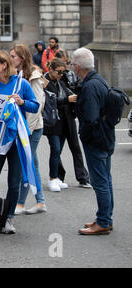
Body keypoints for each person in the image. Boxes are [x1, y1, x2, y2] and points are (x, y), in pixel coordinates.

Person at [0, 50, 39, 235]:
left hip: (17, 140)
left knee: (14, 183)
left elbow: (35, 106)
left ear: (4, 65)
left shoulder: (21, 84)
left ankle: (9, 218)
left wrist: (22, 102)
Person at [73, 48, 115, 235]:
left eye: (73, 65)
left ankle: (104, 221)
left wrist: (85, 136)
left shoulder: (89, 87)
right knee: (106, 180)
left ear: (78, 67)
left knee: (100, 182)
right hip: (106, 137)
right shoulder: (100, 81)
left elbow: (90, 118)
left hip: (96, 140)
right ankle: (105, 218)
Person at [10, 44, 47, 215]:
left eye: (14, 56)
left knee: (26, 163)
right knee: (34, 164)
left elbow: (37, 106)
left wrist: (27, 131)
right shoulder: (17, 75)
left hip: (31, 129)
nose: (11, 59)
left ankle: (20, 203)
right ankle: (40, 202)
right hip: (23, 127)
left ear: (22, 58)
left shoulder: (34, 77)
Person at [43, 58, 90, 192]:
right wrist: (66, 99)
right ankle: (54, 177)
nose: (61, 74)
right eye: (59, 72)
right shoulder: (46, 82)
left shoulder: (61, 79)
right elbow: (49, 100)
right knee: (56, 149)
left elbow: (69, 90)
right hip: (53, 121)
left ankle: (65, 177)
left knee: (69, 148)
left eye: (64, 72)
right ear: (51, 69)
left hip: (66, 118)